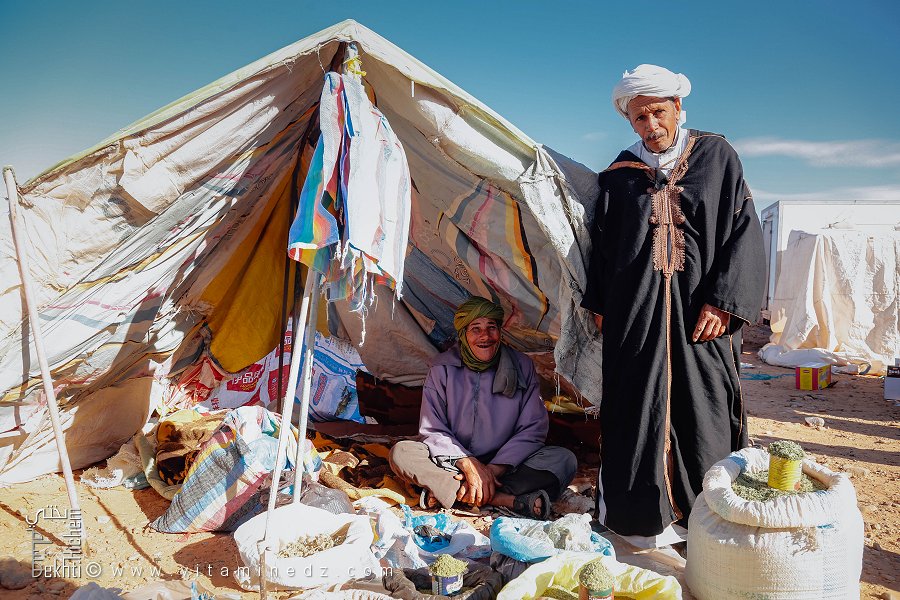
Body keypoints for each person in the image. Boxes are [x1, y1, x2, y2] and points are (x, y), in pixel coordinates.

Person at [580, 64, 766, 540]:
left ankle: (710, 525)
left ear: (678, 107)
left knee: (704, 408)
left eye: (657, 113)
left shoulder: (717, 156)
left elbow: (743, 231)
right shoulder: (619, 176)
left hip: (699, 319)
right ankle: (643, 525)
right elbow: (602, 246)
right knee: (633, 409)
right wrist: (601, 304)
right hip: (635, 320)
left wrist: (724, 301)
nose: (650, 126)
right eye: (639, 118)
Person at [389, 296, 577, 519]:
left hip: (507, 466)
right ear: (463, 334)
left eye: (491, 327)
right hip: (454, 462)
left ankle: (455, 493)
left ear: (500, 331)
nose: (485, 336)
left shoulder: (522, 366)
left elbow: (532, 429)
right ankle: (502, 499)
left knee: (564, 459)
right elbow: (433, 429)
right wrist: (468, 464)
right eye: (475, 329)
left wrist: (493, 469)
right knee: (401, 453)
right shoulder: (442, 369)